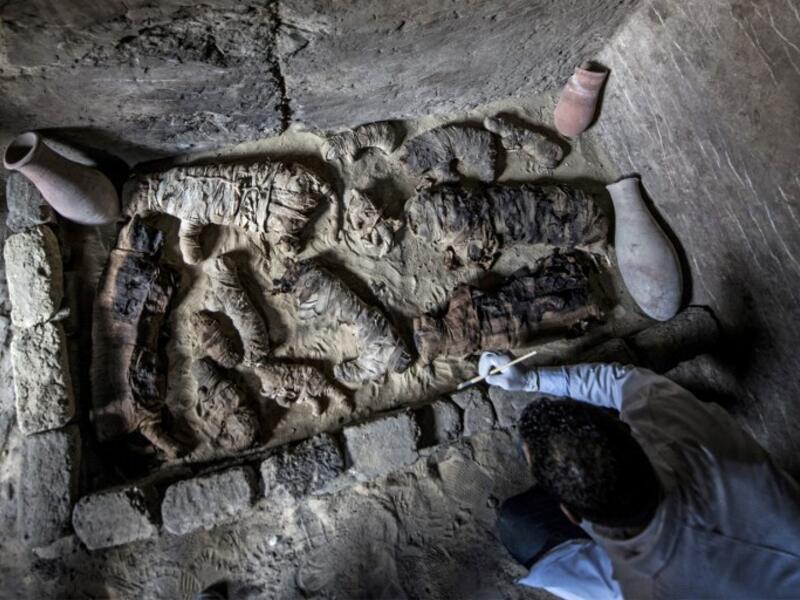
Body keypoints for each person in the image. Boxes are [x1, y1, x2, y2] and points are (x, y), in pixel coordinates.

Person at [479, 352, 800, 599]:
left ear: (571, 515)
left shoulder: (634, 586)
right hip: (769, 533)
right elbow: (619, 382)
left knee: (517, 524)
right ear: (627, 430)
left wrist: (529, 382)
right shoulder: (685, 427)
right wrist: (529, 378)